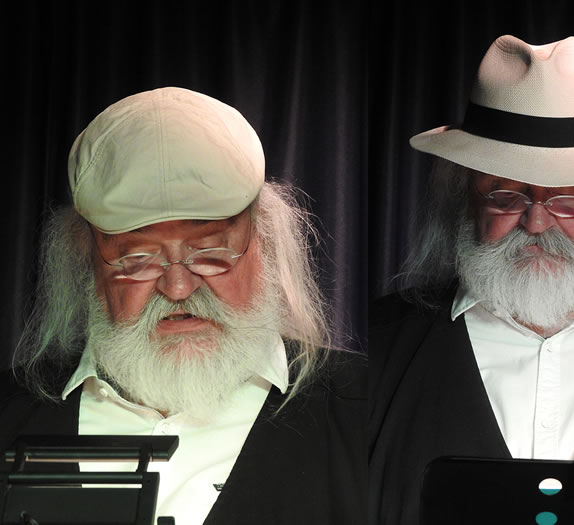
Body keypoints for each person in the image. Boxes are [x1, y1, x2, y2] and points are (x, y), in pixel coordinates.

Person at [369, 35, 574, 524]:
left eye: (568, 198)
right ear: (464, 197)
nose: (537, 223)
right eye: (505, 195)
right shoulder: (376, 350)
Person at [1, 87, 366, 525]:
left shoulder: (367, 414)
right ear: (84, 259)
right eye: (137, 258)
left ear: (266, 241)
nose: (177, 287)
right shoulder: (9, 414)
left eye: (211, 250)